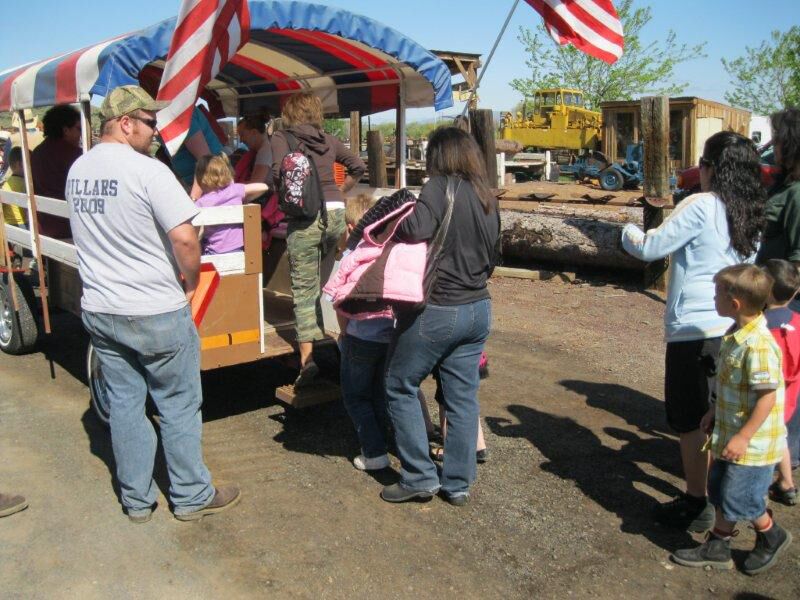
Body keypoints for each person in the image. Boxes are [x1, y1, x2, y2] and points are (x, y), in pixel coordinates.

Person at [66, 85, 240, 523]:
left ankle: (137, 501)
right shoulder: (149, 172)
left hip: (104, 309)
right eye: (149, 122)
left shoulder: (79, 170)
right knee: (178, 404)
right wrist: (192, 280)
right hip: (155, 307)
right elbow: (184, 236)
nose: (155, 131)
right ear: (125, 124)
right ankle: (191, 495)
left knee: (125, 405)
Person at [621, 131, 766, 532]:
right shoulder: (752, 211)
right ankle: (726, 505)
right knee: (721, 416)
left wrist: (625, 233)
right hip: (734, 326)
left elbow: (651, 247)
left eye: (702, 164)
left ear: (712, 169)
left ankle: (696, 499)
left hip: (695, 328)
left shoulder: (701, 204)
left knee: (688, 419)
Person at [380, 127, 499, 507]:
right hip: (478, 307)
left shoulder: (438, 187)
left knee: (399, 383)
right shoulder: (486, 195)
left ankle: (418, 476)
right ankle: (458, 482)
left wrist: (397, 212)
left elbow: (417, 229)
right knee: (463, 398)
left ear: (439, 156)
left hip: (439, 307)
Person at [671, 264, 792, 575]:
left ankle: (772, 536)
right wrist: (715, 412)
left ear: (734, 304)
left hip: (751, 447)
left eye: (716, 296)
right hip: (730, 434)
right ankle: (718, 544)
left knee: (745, 498)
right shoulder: (734, 334)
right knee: (723, 488)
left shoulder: (759, 346)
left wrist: (744, 436)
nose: (713, 300)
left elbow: (766, 397)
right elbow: (731, 384)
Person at [270, 92, 365, 388]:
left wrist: (290, 199)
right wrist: (339, 189)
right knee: (320, 286)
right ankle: (326, 343)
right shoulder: (329, 140)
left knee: (303, 290)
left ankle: (307, 360)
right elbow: (358, 166)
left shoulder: (281, 138)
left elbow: (276, 174)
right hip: (336, 215)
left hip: (305, 217)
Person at [336, 194, 394, 471]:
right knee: (380, 393)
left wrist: (344, 333)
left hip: (360, 335)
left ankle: (374, 452)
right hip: (389, 335)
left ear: (350, 228)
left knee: (356, 395)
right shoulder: (390, 250)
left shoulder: (351, 256)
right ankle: (386, 439)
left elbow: (340, 301)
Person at [762, 259, 800, 505]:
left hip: (769, 398)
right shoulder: (796, 321)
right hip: (790, 395)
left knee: (764, 439)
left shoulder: (764, 327)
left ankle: (756, 486)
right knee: (780, 437)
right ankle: (786, 483)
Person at [191, 153, 268, 255]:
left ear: (200, 178)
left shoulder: (200, 203)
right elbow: (264, 187)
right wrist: (246, 199)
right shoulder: (234, 191)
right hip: (238, 253)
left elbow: (194, 235)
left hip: (213, 254)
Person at [30, 104, 82, 238]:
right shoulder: (74, 155)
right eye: (78, 129)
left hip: (43, 225)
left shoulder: (37, 152)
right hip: (69, 227)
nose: (81, 134)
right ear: (65, 130)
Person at [756, 107, 800, 266]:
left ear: (792, 143)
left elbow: (798, 263)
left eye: (777, 138)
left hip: (782, 287)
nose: (773, 143)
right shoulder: (785, 184)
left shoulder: (797, 192)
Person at [1, 146, 27, 227]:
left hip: (8, 225)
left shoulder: (5, 185)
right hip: (23, 224)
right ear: (20, 164)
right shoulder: (27, 184)